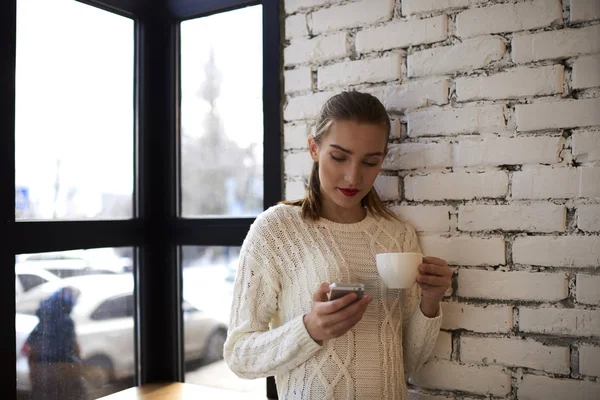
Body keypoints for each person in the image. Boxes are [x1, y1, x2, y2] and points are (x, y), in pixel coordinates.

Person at [224, 91, 452, 399]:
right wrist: (310, 328)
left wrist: (431, 301)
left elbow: (410, 361)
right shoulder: (276, 230)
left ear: (382, 160)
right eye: (339, 157)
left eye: (370, 162)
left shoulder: (399, 236)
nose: (353, 176)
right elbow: (239, 356)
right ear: (314, 148)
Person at [25, 286, 87, 400]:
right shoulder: (66, 322)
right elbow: (72, 347)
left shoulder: (44, 318)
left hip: (41, 372)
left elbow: (28, 347)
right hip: (59, 370)